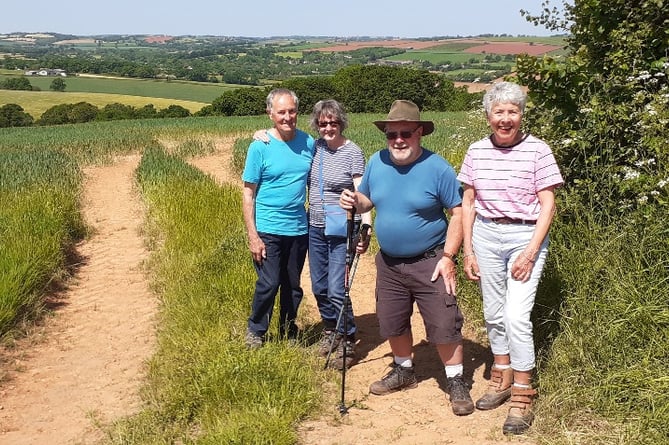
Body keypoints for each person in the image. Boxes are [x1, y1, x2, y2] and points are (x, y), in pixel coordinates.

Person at [340, 99, 474, 416]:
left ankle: (456, 381)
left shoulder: (437, 167)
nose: (398, 140)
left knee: (444, 322)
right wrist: (353, 200)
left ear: (419, 133)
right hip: (388, 262)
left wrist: (449, 256)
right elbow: (367, 200)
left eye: (405, 133)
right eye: (392, 134)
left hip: (430, 260)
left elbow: (457, 211)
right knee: (392, 319)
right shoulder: (377, 162)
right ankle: (404, 370)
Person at [457, 81, 563, 434]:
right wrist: (468, 251)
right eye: (499, 112)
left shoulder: (538, 150)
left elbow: (548, 203)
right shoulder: (475, 151)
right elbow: (468, 203)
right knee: (493, 310)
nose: (506, 119)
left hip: (524, 235)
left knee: (517, 315)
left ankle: (523, 391)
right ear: (488, 116)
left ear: (521, 115)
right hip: (486, 234)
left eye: (512, 112)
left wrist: (531, 251)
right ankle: (500, 374)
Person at [253, 99, 371, 370]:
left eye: (333, 122)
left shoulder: (352, 152)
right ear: (317, 125)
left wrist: (366, 227)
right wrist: (259, 134)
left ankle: (347, 338)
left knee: (336, 287)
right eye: (323, 123)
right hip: (315, 227)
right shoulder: (314, 146)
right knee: (318, 286)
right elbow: (283, 137)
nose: (328, 127)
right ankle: (330, 330)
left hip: (343, 227)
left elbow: (362, 194)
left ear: (342, 122)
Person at [242, 88, 315, 349]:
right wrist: (253, 235)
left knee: (292, 285)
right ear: (270, 114)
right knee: (269, 282)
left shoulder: (309, 144)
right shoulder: (259, 147)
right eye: (281, 112)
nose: (287, 117)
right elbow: (248, 194)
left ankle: (288, 328)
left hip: (298, 228)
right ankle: (256, 330)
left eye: (292, 111)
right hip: (268, 227)